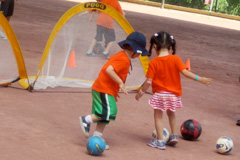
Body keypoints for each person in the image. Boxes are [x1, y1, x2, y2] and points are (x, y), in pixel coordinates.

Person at [135, 31, 212, 150]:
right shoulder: (176, 59)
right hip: (173, 95)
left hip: (160, 94)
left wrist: (141, 93)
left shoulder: (154, 62)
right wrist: (199, 78)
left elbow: (148, 81)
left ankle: (160, 141)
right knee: (172, 114)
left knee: (158, 116)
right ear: (171, 46)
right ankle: (174, 135)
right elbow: (185, 72)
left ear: (155, 46)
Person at [79, 32, 149, 149]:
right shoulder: (123, 59)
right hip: (103, 88)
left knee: (105, 115)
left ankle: (97, 136)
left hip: (107, 90)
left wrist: (114, 92)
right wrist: (120, 83)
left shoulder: (123, 57)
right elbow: (109, 70)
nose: (139, 56)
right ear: (134, 49)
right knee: (110, 111)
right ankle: (86, 119)